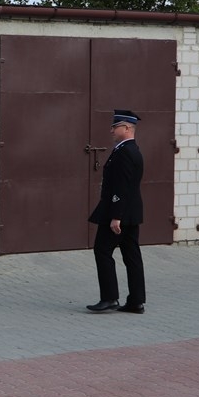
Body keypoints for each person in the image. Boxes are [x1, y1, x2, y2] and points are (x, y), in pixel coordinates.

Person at [86, 110, 146, 314]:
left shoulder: (125, 152)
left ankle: (110, 298)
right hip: (130, 213)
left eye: (115, 126)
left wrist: (116, 217)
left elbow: (122, 187)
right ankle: (136, 301)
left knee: (102, 251)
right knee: (132, 256)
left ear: (127, 128)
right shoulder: (129, 149)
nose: (111, 130)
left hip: (118, 213)